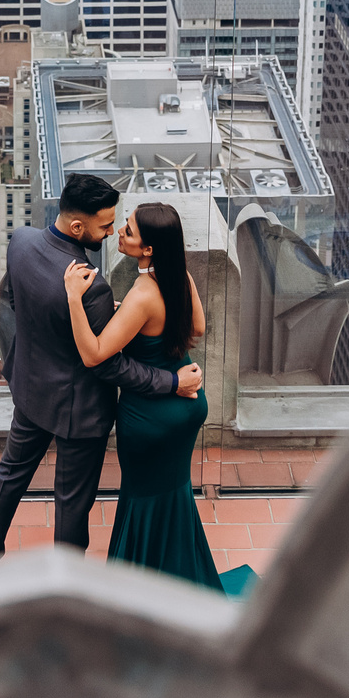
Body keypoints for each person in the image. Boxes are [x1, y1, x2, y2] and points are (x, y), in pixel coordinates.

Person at [0, 174, 203, 561]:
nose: (110, 232)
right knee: (72, 505)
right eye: (105, 225)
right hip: (81, 413)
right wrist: (170, 381)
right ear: (78, 227)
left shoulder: (21, 242)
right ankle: (67, 578)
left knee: (9, 475)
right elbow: (109, 366)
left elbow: (14, 300)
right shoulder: (92, 287)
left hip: (31, 389)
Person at [64, 201, 225, 591]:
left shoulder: (143, 295)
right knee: (173, 497)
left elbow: (94, 354)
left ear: (148, 248)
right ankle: (183, 583)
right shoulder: (178, 276)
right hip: (188, 407)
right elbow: (197, 327)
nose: (120, 231)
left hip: (150, 420)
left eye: (129, 231)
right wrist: (137, 322)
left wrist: (73, 298)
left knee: (142, 500)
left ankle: (138, 592)